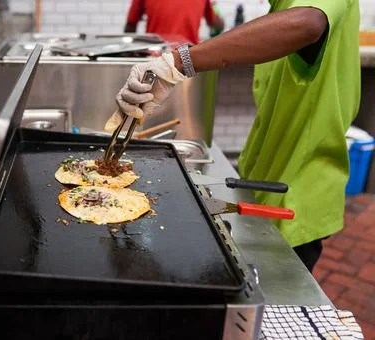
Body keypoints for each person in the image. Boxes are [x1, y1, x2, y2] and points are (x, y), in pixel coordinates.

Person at [106, 0, 361, 272]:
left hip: (296, 195)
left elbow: (307, 23)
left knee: (267, 298)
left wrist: (178, 63)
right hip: (264, 183)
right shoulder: (279, 6)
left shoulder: (308, 8)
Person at [124, 0, 225, 44]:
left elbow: (130, 26)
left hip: (156, 56)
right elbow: (217, 25)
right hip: (188, 57)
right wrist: (213, 6)